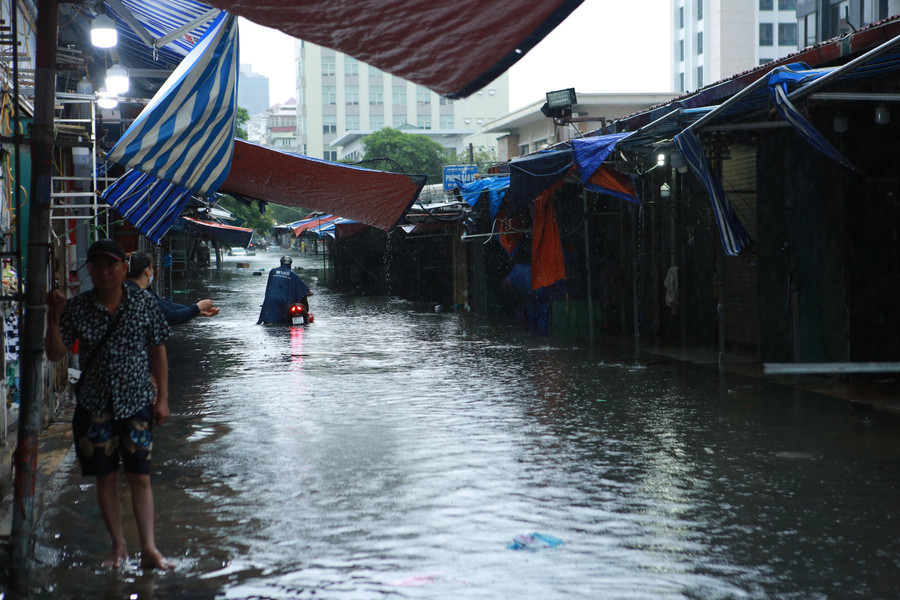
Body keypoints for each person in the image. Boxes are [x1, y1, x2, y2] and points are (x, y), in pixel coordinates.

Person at [45, 239, 174, 570]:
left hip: (136, 403)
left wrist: (162, 400)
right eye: (97, 266)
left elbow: (158, 350)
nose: (104, 272)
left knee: (140, 477)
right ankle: (118, 546)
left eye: (110, 265)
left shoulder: (143, 304)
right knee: (104, 478)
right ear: (89, 269)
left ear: (122, 268)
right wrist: (53, 318)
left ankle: (149, 548)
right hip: (94, 405)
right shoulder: (78, 307)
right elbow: (57, 353)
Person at [125, 251, 219, 325]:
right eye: (152, 268)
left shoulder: (139, 290)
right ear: (148, 271)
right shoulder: (139, 295)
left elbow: (166, 306)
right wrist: (197, 308)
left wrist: (197, 310)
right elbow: (172, 317)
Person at [257, 255, 312, 324]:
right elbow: (307, 291)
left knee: (269, 322)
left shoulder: (272, 272)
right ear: (290, 264)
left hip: (270, 300)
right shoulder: (293, 275)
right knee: (284, 322)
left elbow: (269, 287)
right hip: (284, 301)